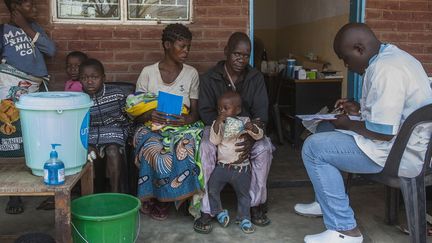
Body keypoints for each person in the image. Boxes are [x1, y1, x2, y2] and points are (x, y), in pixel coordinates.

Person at [298, 23, 432, 243]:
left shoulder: (385, 70)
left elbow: (384, 133)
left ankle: (345, 230)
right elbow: (393, 110)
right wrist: (357, 110)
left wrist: (349, 124)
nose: (347, 65)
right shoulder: (393, 57)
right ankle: (326, 203)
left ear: (359, 49)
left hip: (397, 154)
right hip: (403, 144)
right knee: (324, 127)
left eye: (346, 58)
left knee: (313, 148)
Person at [194, 32, 274, 234]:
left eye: (246, 55)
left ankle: (255, 205)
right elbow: (205, 112)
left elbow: (261, 114)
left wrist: (248, 135)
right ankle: (207, 209)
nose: (241, 59)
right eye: (236, 54)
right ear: (226, 52)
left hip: (247, 130)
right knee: (205, 147)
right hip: (217, 128)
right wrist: (224, 132)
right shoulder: (210, 78)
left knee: (264, 149)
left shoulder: (255, 77)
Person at [133, 23, 202, 221]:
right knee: (152, 146)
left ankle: (172, 199)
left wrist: (187, 119)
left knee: (185, 145)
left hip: (181, 127)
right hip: (151, 127)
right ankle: (156, 198)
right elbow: (135, 112)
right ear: (167, 45)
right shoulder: (148, 73)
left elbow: (195, 113)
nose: (186, 51)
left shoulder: (191, 73)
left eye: (188, 47)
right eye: (182, 46)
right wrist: (149, 115)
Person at [1, 0, 56, 215]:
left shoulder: (35, 29)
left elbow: (51, 50)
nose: (35, 9)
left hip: (34, 91)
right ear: (15, 7)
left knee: (36, 136)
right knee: (12, 137)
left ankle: (40, 185)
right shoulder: (3, 31)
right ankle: (14, 194)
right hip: (8, 89)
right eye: (28, 5)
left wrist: (24, 26)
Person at [208, 91, 263, 234]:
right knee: (212, 189)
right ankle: (219, 212)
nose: (222, 111)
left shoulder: (245, 121)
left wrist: (253, 128)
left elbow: (259, 135)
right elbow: (214, 141)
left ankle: (244, 218)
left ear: (237, 109)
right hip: (222, 167)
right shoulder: (218, 123)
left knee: (244, 195)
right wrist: (218, 123)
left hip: (241, 169)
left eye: (226, 108)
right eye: (220, 108)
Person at [80, 58, 131, 193]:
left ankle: (115, 192)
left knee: (113, 151)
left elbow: (127, 117)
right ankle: (93, 191)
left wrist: (128, 133)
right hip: (91, 132)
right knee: (89, 153)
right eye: (84, 78)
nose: (90, 81)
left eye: (94, 77)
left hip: (115, 129)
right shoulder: (79, 99)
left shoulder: (116, 94)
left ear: (103, 78)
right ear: (79, 80)